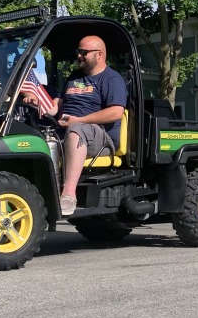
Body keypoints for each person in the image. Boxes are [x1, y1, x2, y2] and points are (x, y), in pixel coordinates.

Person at [24, 35, 127, 216]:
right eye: (78, 52)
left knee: (75, 131)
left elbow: (116, 113)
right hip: (68, 128)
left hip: (100, 138)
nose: (79, 56)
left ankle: (68, 195)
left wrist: (79, 120)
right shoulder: (74, 77)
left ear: (99, 55)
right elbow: (56, 107)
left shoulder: (111, 79)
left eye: (84, 52)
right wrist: (37, 102)